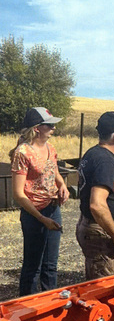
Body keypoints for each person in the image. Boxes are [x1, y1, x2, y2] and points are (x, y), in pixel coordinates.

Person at [10, 107, 70, 296]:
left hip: (53, 209)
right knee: (32, 266)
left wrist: (63, 185)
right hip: (34, 213)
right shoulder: (23, 153)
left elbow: (55, 172)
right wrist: (41, 218)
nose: (53, 128)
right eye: (49, 125)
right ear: (37, 128)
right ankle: (25, 306)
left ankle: (49, 303)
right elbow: (19, 194)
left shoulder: (50, 148)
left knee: (50, 265)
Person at [76, 111, 114, 279]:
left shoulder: (93, 153)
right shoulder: (104, 161)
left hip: (90, 226)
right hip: (100, 232)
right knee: (109, 284)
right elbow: (97, 204)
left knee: (95, 277)